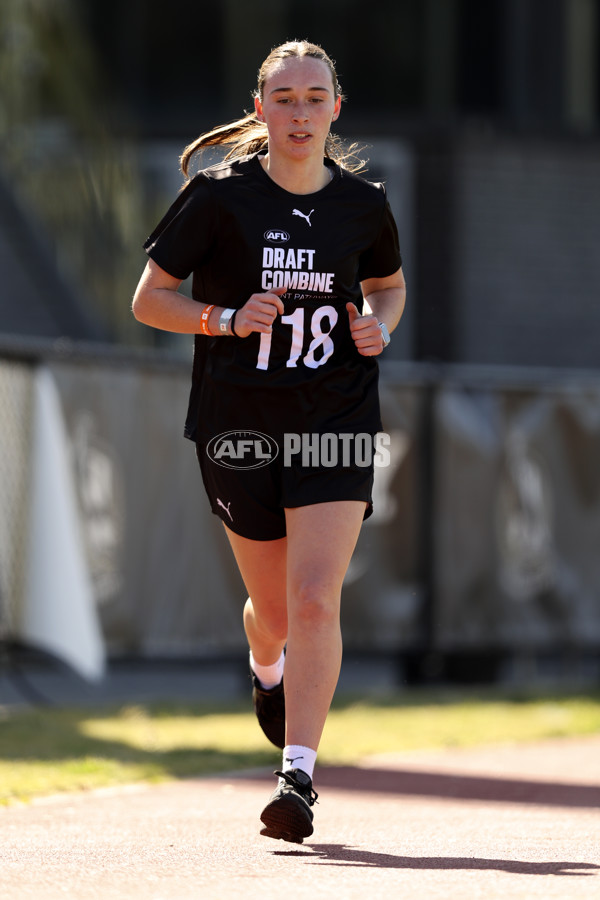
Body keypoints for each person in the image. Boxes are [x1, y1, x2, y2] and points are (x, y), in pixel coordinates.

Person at [132, 39, 406, 844]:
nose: (298, 112)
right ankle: (265, 667)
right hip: (239, 422)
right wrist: (223, 318)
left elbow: (388, 286)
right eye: (283, 98)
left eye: (313, 97)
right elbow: (150, 299)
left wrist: (376, 328)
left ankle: (298, 775)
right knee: (277, 611)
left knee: (320, 596)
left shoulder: (365, 203)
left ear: (335, 109)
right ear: (260, 108)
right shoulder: (218, 199)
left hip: (337, 419)